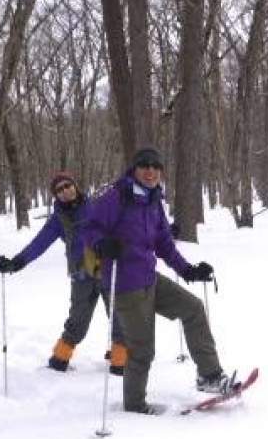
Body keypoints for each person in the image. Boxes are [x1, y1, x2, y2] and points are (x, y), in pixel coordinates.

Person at [79, 147, 228, 414]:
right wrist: (102, 244)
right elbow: (89, 227)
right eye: (144, 166)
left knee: (193, 309)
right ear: (134, 170)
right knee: (142, 351)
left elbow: (164, 245)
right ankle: (134, 407)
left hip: (150, 279)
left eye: (155, 166)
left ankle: (210, 376)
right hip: (125, 286)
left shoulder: (153, 201)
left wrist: (189, 271)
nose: (150, 171)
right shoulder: (117, 197)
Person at [0, 171, 127, 374]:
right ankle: (60, 359)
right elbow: (39, 243)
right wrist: (16, 262)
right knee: (77, 321)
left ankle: (120, 363)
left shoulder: (96, 206)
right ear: (55, 195)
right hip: (81, 275)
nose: (65, 191)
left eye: (68, 185)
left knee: (119, 316)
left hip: (108, 269)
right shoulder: (58, 219)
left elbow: (126, 224)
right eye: (59, 190)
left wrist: (164, 232)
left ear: (75, 185)